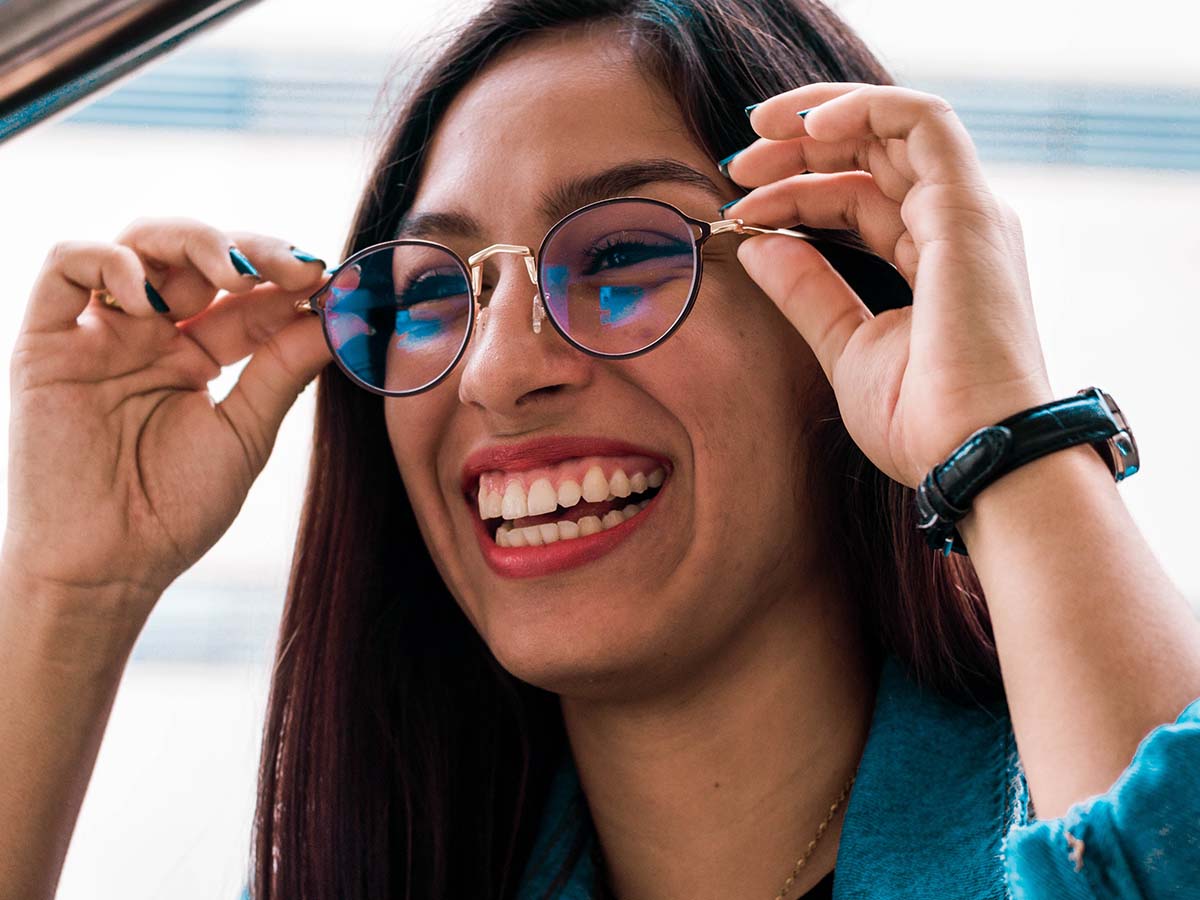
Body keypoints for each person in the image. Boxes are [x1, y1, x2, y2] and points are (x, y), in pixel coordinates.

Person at [2, 0, 1199, 898]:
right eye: (436, 292)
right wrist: (72, 591)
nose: (500, 367)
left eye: (624, 257)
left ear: (847, 308)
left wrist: (1000, 435)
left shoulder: (1077, 795)